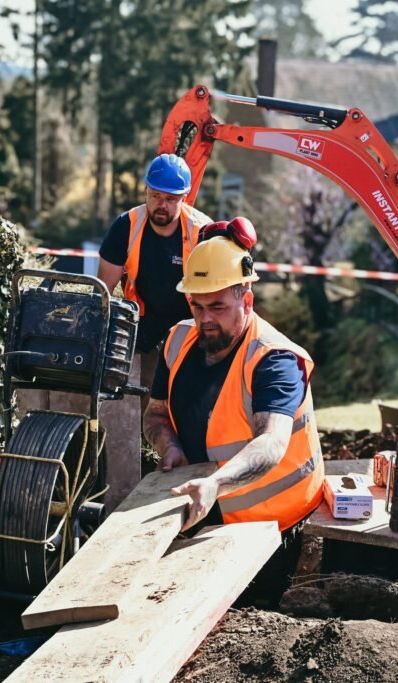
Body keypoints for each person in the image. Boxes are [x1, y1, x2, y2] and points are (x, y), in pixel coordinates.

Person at [143, 228, 324, 601]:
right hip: (202, 507)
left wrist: (215, 484)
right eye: (197, 306)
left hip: (272, 527)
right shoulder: (177, 341)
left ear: (247, 300)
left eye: (217, 307)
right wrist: (170, 446)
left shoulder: (274, 361)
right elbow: (155, 414)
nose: (205, 319)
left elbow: (271, 443)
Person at [91, 153, 211, 509]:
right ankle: (118, 496)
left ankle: (186, 489)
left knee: (189, 406)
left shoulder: (202, 232)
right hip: (140, 322)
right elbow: (103, 292)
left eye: (172, 198)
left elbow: (215, 295)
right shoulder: (125, 227)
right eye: (157, 195)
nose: (163, 205)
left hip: (188, 327)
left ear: (185, 198)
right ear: (145, 190)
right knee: (121, 404)